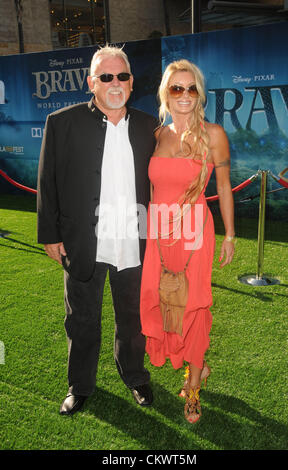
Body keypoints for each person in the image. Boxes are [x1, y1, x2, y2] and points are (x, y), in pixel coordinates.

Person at [37, 45, 158, 416]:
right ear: (92, 82)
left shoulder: (149, 127)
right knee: (82, 320)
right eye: (106, 77)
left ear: (132, 82)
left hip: (134, 241)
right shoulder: (62, 122)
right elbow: (48, 182)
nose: (115, 83)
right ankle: (80, 385)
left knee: (133, 319)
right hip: (83, 241)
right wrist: (50, 235)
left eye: (122, 76)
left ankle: (135, 376)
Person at [140, 59, 235, 423]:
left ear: (200, 94)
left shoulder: (213, 135)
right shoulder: (158, 134)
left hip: (195, 231)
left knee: (194, 306)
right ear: (166, 93)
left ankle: (193, 385)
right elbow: (153, 187)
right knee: (163, 299)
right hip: (160, 233)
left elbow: (224, 186)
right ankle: (199, 363)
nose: (184, 95)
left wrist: (229, 234)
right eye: (176, 88)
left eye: (191, 88)